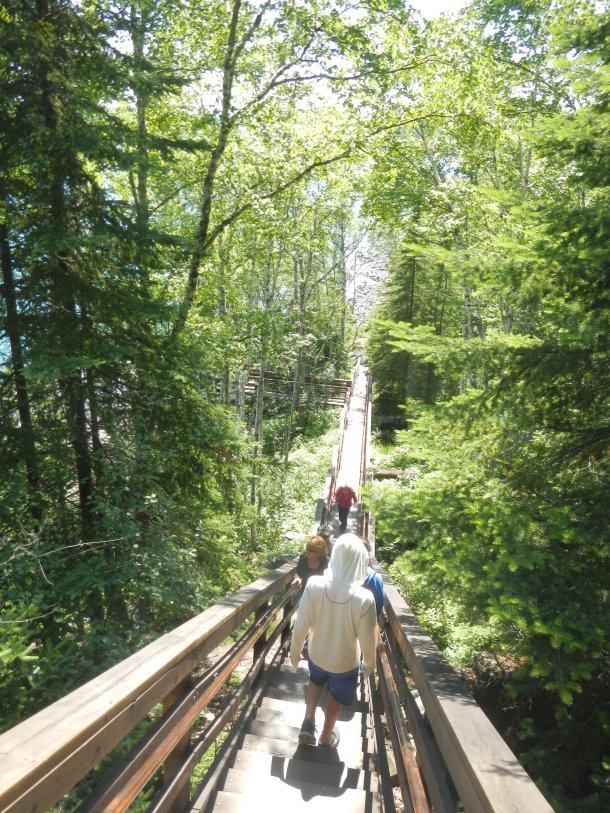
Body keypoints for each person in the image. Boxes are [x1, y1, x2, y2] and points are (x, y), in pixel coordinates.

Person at [290, 534, 377, 748]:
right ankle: (325, 737)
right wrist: (369, 665)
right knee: (336, 695)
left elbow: (301, 624)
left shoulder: (314, 584)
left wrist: (294, 653)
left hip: (316, 654)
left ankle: (308, 722)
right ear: (360, 560)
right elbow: (368, 640)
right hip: (344, 663)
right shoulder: (365, 599)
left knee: (316, 680)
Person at [361, 537, 385, 617]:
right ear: (368, 554)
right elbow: (378, 607)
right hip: (367, 619)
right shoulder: (375, 578)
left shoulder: (340, 574)